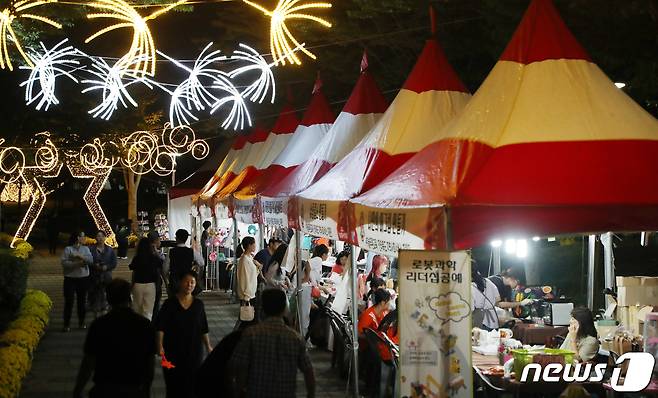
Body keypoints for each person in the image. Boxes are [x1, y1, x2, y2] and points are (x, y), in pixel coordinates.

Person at [73, 279, 156, 398]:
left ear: (109, 299)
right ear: (130, 298)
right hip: (134, 386)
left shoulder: (99, 325)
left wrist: (78, 389)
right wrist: (147, 389)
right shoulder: (144, 325)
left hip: (105, 387)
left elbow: (88, 362)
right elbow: (150, 363)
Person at [231, 288, 316, 398]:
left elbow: (237, 367)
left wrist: (240, 389)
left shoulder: (251, 334)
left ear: (263, 309)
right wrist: (310, 395)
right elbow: (309, 372)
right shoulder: (295, 338)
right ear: (284, 309)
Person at [156, 271, 212, 398]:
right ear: (180, 283)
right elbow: (160, 327)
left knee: (192, 384)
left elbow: (204, 327)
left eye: (192, 282)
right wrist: (159, 345)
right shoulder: (169, 304)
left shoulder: (198, 305)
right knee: (173, 385)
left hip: (194, 352)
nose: (189, 285)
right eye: (186, 281)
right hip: (172, 352)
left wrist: (208, 346)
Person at [61, 231, 93, 332]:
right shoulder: (68, 249)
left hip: (83, 278)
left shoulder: (86, 249)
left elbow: (91, 261)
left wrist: (82, 257)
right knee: (69, 301)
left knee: (82, 301)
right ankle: (66, 324)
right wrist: (77, 263)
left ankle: (81, 322)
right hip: (70, 278)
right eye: (83, 236)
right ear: (77, 238)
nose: (85, 238)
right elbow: (64, 263)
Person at [130, 237, 163, 320]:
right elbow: (160, 265)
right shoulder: (154, 258)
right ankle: (147, 329)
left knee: (137, 310)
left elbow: (134, 272)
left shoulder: (137, 258)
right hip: (150, 285)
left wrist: (132, 285)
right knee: (148, 311)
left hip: (138, 285)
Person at [165, 229, 204, 296]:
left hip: (174, 281)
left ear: (176, 238)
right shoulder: (191, 252)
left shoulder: (171, 251)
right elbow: (201, 263)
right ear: (186, 239)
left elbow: (165, 268)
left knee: (174, 302)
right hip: (187, 281)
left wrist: (168, 278)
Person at [88, 230, 117, 318]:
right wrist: (94, 265)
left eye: (102, 236)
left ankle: (105, 313)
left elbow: (114, 263)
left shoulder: (110, 250)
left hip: (106, 277)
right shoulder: (91, 249)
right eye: (98, 236)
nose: (100, 238)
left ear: (105, 238)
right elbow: (88, 261)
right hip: (94, 277)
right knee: (95, 297)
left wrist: (107, 267)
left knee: (105, 296)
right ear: (96, 237)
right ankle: (96, 315)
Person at [237, 236, 261, 326]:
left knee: (248, 320)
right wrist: (246, 297)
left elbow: (252, 276)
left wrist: (258, 267)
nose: (255, 246)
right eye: (254, 244)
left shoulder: (249, 258)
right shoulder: (244, 260)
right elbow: (244, 278)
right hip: (247, 296)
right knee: (247, 320)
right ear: (249, 245)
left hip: (251, 294)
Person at [472, 264, 501, 331]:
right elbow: (498, 299)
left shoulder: (470, 287)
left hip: (480, 323)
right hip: (493, 321)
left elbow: (470, 309)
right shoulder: (488, 281)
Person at [148, 232, 166, 319]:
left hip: (145, 282)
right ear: (155, 241)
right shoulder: (157, 254)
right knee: (155, 304)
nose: (160, 242)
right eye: (159, 240)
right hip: (155, 282)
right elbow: (162, 267)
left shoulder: (142, 252)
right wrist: (166, 282)